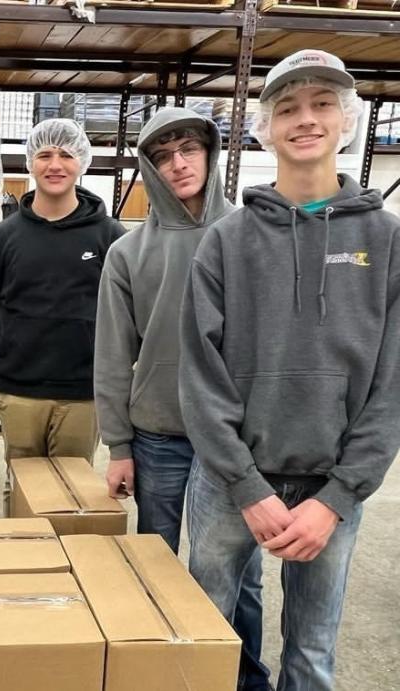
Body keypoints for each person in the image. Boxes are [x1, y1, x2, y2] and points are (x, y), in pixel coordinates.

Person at [180, 49, 400, 690]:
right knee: (204, 641)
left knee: (311, 656)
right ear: (265, 128)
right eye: (288, 108)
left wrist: (337, 499)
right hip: (230, 482)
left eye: (323, 104)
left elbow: (391, 386)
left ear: (347, 120)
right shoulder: (226, 240)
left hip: (332, 485)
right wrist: (247, 487)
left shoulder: (387, 243)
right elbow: (201, 374)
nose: (306, 120)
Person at [95, 106, 270, 690]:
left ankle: (243, 677)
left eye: (189, 148)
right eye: (163, 154)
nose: (178, 163)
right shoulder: (127, 254)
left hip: (236, 444)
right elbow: (114, 357)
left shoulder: (253, 238)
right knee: (157, 564)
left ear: (211, 154)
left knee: (241, 575)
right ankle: (161, 676)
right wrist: (119, 445)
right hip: (160, 436)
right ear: (148, 167)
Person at [0, 118, 123, 512]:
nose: (55, 164)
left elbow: (121, 313)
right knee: (21, 486)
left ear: (82, 163)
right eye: (44, 154)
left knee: (74, 493)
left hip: (82, 392)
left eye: (66, 154)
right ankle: (23, 564)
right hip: (19, 388)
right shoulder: (4, 238)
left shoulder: (111, 237)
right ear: (30, 163)